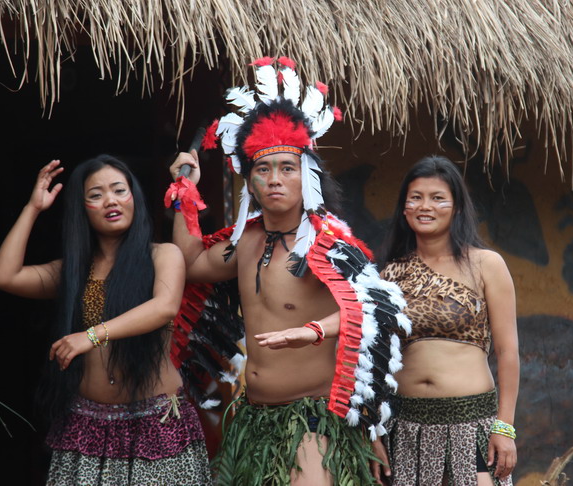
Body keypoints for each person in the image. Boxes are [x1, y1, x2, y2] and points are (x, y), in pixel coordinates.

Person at [166, 57, 407, 486]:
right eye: (263, 169)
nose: (274, 179)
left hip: (312, 420)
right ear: (249, 181)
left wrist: (312, 331)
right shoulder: (244, 242)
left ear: (307, 177)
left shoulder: (329, 242)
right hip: (254, 421)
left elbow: (375, 313)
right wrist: (186, 193)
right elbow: (189, 263)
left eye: (287, 168)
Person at [0, 155, 211, 485]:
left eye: (119, 190)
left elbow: (163, 308)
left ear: (133, 197)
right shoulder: (73, 271)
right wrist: (33, 208)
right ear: (83, 209)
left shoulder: (162, 255)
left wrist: (90, 335)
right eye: (95, 195)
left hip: (156, 423)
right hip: (86, 426)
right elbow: (5, 276)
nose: (110, 200)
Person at [378, 155, 519, 486]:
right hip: (404, 428)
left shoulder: (486, 264)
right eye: (416, 197)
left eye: (437, 197)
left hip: (471, 424)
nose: (425, 206)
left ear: (456, 207)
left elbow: (508, 351)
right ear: (404, 208)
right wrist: (374, 430)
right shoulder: (388, 274)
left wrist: (505, 426)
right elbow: (375, 360)